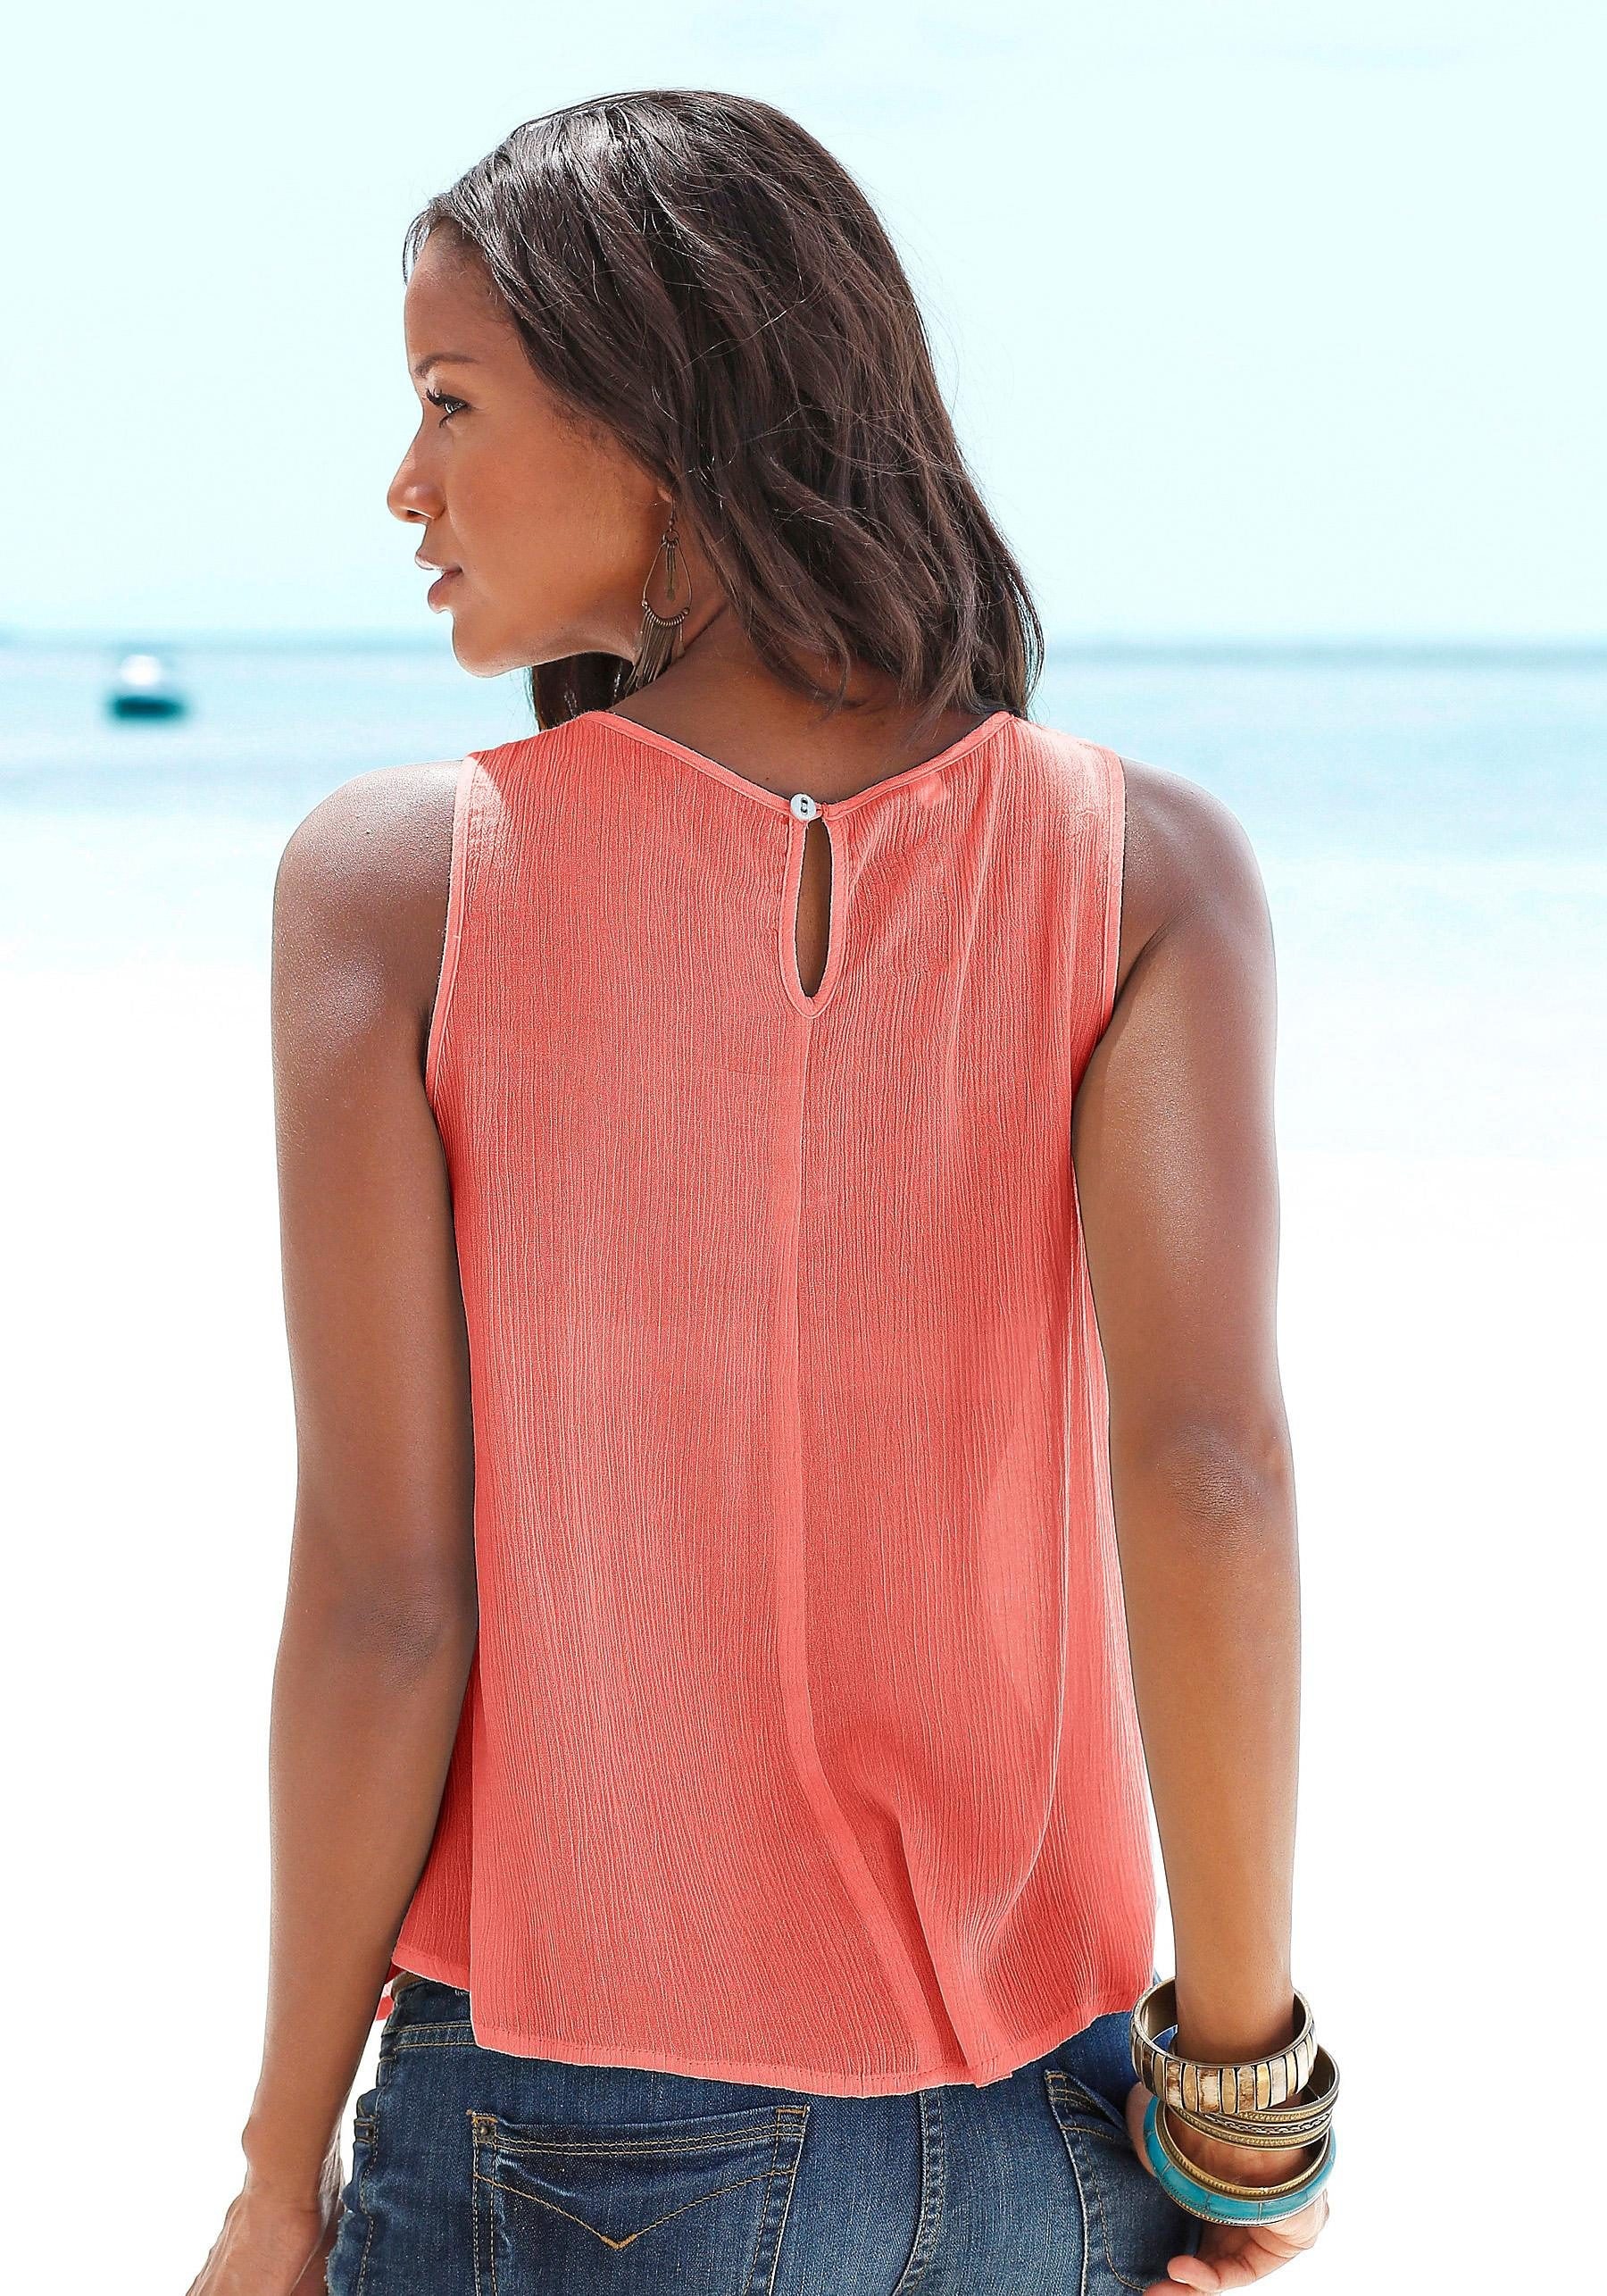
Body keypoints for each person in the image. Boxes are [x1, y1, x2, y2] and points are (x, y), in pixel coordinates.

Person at [185, 90, 1336, 2296]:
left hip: (563, 2121)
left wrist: (268, 2175)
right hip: (1044, 2130)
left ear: (660, 411)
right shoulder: (1145, 872)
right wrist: (1242, 2102)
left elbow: (387, 1597)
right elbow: (1212, 1475)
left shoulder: (399, 888)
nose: (405, 480)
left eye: (451, 399)